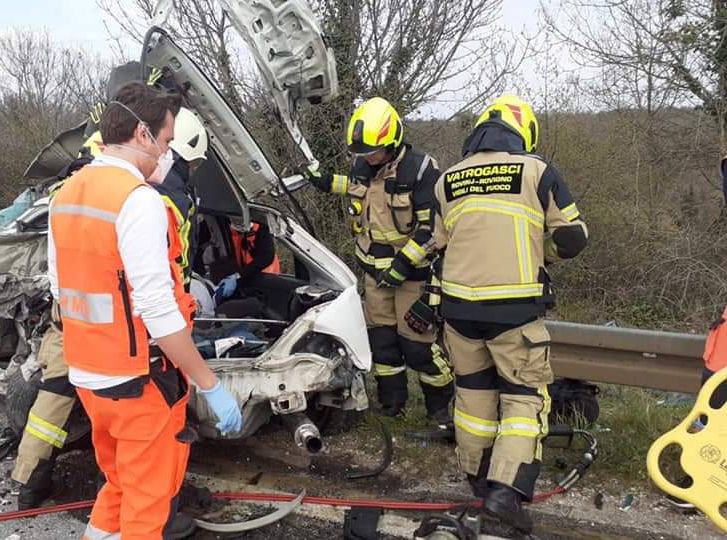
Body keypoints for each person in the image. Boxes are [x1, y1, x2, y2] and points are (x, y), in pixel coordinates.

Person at [50, 81, 242, 540]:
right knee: (148, 504)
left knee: (118, 485)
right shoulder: (138, 202)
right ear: (142, 134)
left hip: (90, 375)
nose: (168, 153)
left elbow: (61, 289)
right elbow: (157, 310)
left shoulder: (68, 192)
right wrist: (208, 383)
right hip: (137, 381)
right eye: (167, 140)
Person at [430, 95, 588, 533]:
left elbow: (437, 245)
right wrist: (542, 252)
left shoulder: (448, 179)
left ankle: (480, 484)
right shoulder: (536, 171)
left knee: (474, 398)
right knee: (524, 399)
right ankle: (504, 497)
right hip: (514, 311)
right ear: (525, 134)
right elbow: (573, 239)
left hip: (459, 310)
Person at [304, 97, 454, 424]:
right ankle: (392, 406)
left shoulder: (421, 169)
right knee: (383, 346)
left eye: (372, 151)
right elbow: (358, 189)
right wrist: (325, 180)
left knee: (417, 346)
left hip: (412, 277)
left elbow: (433, 230)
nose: (366, 158)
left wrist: (402, 266)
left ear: (392, 141)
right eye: (361, 153)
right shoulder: (364, 165)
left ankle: (441, 409)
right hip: (374, 274)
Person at [11, 129, 106, 511]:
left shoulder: (61, 200)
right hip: (101, 328)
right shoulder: (111, 201)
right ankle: (109, 494)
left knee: (49, 407)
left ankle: (29, 487)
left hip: (66, 319)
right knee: (110, 412)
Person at [156, 107, 208, 289]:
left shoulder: (139, 182)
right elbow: (179, 261)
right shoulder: (177, 199)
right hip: (167, 294)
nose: (194, 169)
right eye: (194, 163)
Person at [214, 220, 280, 301]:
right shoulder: (232, 231)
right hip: (247, 277)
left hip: (265, 280)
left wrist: (237, 275)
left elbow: (265, 258)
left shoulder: (261, 230)